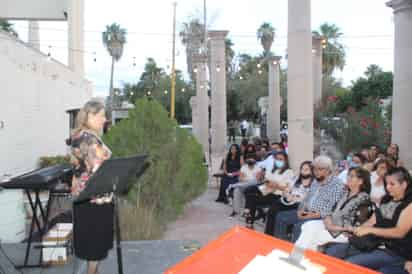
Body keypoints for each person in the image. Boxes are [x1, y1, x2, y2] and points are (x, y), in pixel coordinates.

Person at [325, 167, 412, 274]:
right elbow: (372, 221)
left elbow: (399, 232)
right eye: (386, 183)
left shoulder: (409, 204)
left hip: (395, 251)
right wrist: (357, 230)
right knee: (331, 251)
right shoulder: (386, 199)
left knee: (350, 264)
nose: (388, 187)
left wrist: (370, 231)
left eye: (392, 184)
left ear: (404, 184)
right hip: (374, 243)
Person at [69, 100, 113, 274]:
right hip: (93, 199)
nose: (105, 119)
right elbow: (98, 168)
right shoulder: (87, 138)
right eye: (102, 116)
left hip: (89, 198)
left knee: (92, 246)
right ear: (90, 115)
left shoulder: (82, 135)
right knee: (93, 247)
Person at [295, 167, 371, 251]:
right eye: (348, 175)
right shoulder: (344, 193)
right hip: (331, 224)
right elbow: (330, 210)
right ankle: (296, 256)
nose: (348, 178)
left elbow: (355, 227)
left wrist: (333, 227)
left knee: (316, 236)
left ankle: (302, 258)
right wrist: (328, 221)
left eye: (352, 176)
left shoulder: (364, 199)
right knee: (308, 226)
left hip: (344, 232)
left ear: (360, 181)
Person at [274, 155, 345, 241]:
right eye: (315, 169)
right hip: (307, 212)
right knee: (281, 217)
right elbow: (307, 199)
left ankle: (294, 251)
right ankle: (281, 245)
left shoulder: (337, 185)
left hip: (322, 217)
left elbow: (331, 209)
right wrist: (301, 209)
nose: (316, 172)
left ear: (328, 170)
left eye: (320, 169)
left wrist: (310, 215)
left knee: (299, 227)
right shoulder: (316, 181)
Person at [243, 151, 294, 228]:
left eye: (281, 159)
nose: (278, 161)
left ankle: (249, 217)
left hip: (277, 195)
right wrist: (267, 182)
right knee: (249, 192)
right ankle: (249, 222)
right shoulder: (275, 170)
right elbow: (268, 180)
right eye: (277, 159)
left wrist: (276, 185)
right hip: (267, 190)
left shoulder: (289, 172)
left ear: (285, 161)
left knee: (252, 198)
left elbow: (287, 188)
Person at [265, 161, 313, 236]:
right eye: (302, 169)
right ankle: (269, 235)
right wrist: (287, 195)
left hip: (299, 205)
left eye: (306, 169)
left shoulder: (314, 184)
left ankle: (281, 234)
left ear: (312, 171)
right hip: (288, 200)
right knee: (272, 210)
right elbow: (287, 190)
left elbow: (310, 199)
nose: (303, 171)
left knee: (281, 215)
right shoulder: (296, 179)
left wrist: (298, 199)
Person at [228, 153, 262, 217]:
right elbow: (240, 178)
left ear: (255, 160)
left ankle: (232, 186)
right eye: (249, 158)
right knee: (237, 190)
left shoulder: (258, 168)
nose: (250, 160)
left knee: (250, 184)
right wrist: (247, 180)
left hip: (254, 185)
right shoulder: (244, 167)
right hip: (244, 184)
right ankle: (236, 210)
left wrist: (246, 179)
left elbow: (257, 179)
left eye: (252, 158)